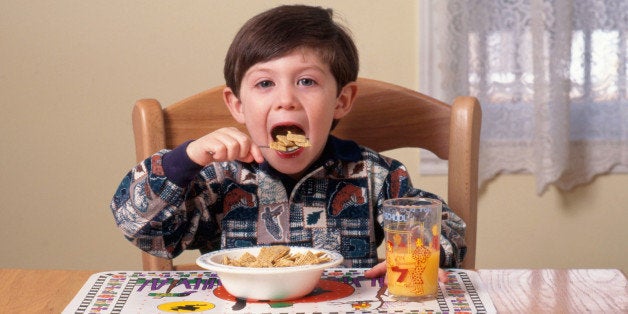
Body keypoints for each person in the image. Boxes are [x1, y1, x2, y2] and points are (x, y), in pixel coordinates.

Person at [110, 4, 466, 277]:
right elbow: (141, 227)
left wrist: (416, 254)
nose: (286, 100)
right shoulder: (219, 179)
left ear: (342, 100)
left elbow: (448, 228)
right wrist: (185, 159)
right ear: (237, 105)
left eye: (307, 81)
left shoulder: (373, 176)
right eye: (265, 83)